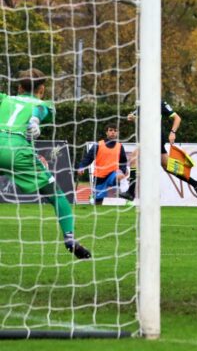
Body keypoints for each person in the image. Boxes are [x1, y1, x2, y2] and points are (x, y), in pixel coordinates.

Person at [0, 69, 90, 258]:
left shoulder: (4, 98)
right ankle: (70, 238)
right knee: (57, 195)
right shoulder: (42, 102)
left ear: (18, 87)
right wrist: (34, 120)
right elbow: (42, 108)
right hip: (17, 151)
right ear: (42, 89)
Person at [122, 101, 197, 202]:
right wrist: (133, 118)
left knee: (134, 157)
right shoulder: (142, 104)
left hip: (155, 136)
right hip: (150, 136)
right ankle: (196, 184)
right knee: (167, 165)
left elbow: (177, 118)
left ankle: (131, 192)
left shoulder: (159, 103)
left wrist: (173, 132)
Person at [77, 123, 128, 205]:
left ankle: (127, 195)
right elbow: (88, 158)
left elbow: (123, 162)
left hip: (113, 174)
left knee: (121, 175)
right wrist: (82, 167)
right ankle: (94, 197)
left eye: (115, 131)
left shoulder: (120, 146)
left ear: (117, 133)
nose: (113, 132)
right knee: (98, 202)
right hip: (100, 177)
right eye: (111, 130)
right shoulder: (98, 145)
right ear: (106, 132)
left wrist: (122, 170)